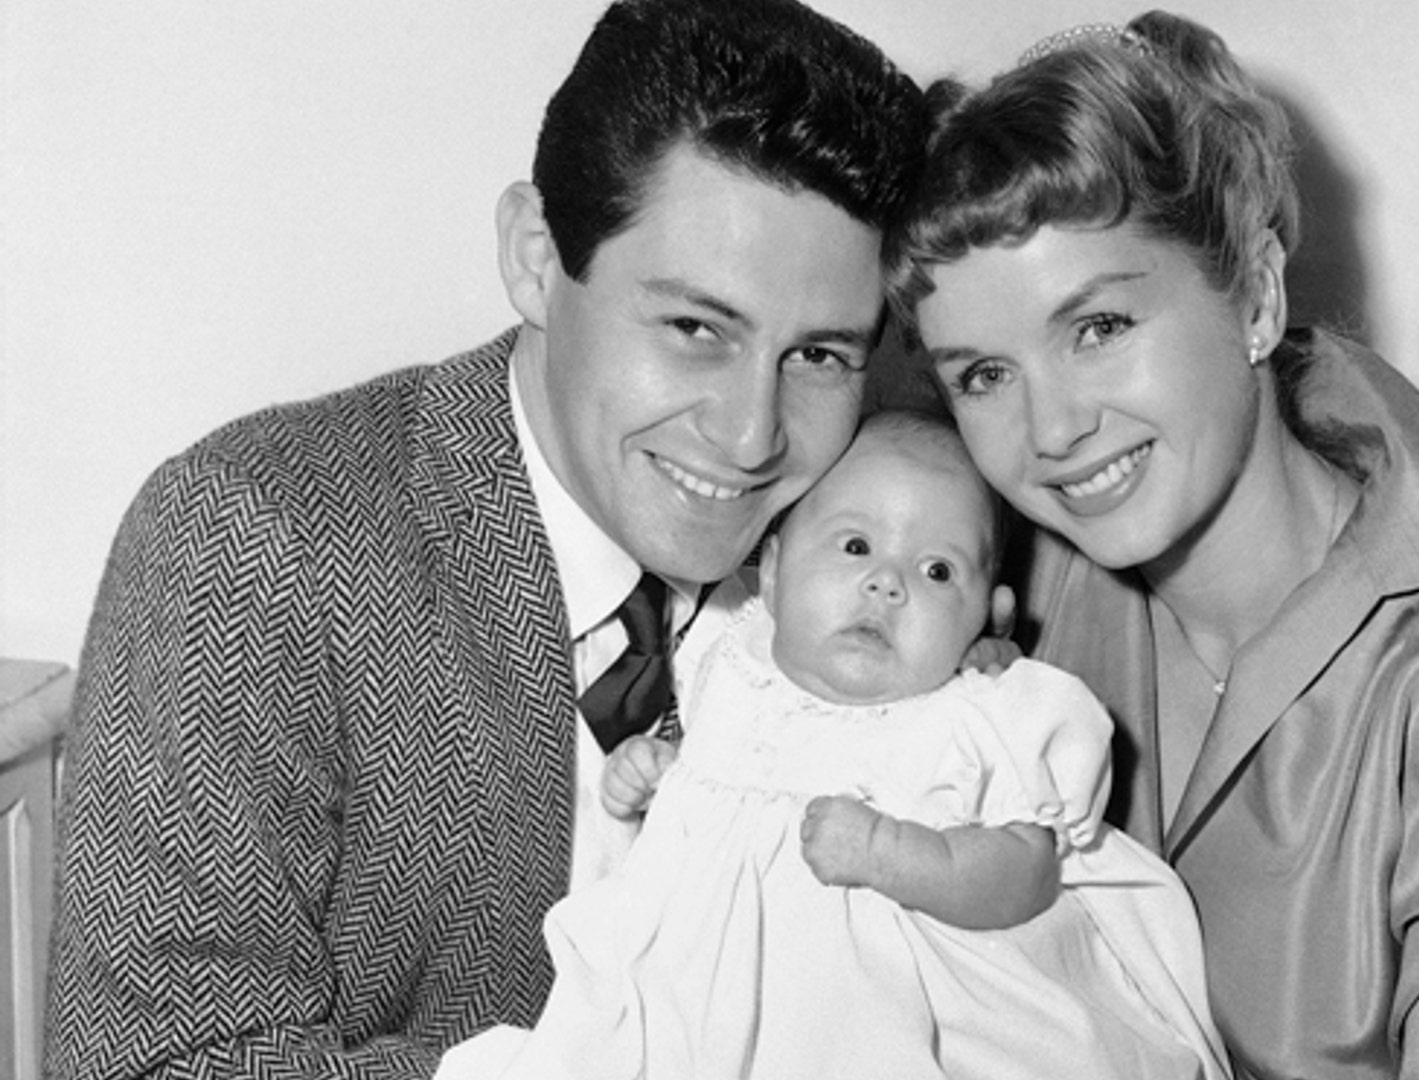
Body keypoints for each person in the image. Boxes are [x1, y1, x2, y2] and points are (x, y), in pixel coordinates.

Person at [44, 2, 928, 1076]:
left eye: (821, 356)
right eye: (696, 328)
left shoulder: (878, 561)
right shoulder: (251, 537)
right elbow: (162, 1061)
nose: (751, 437)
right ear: (534, 257)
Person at [888, 14, 1419, 1079]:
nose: (1052, 429)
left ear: (1255, 299)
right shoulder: (1007, 586)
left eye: (1100, 328)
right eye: (983, 374)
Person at [438, 411, 1229, 1080]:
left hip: (893, 1019)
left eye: (936, 569)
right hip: (706, 1003)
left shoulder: (980, 717)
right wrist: (666, 777)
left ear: (991, 616)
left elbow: (1026, 872)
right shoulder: (734, 667)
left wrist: (894, 854)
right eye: (855, 547)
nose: (888, 584)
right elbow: (729, 807)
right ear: (774, 574)